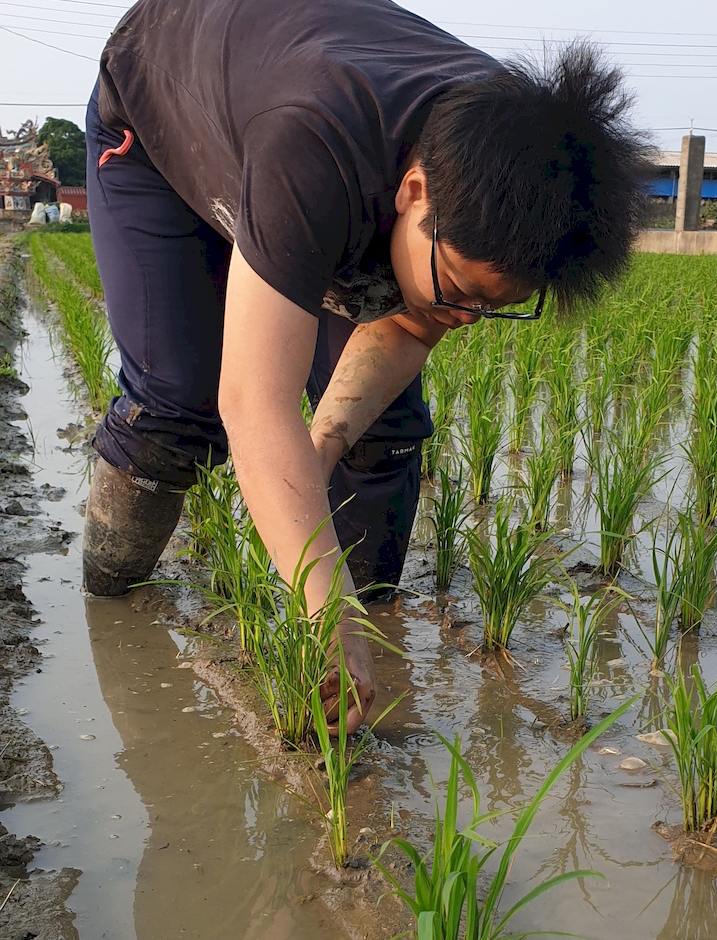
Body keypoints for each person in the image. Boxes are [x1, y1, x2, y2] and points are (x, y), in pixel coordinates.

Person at [82, 0, 651, 731]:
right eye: (465, 294)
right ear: (414, 195)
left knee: (383, 428)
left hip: (297, 109)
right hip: (160, 108)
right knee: (177, 400)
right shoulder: (314, 143)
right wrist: (330, 621)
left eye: (493, 306)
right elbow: (253, 404)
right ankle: (111, 594)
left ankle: (361, 634)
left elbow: (414, 320)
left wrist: (316, 461)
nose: (467, 319)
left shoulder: (513, 163)